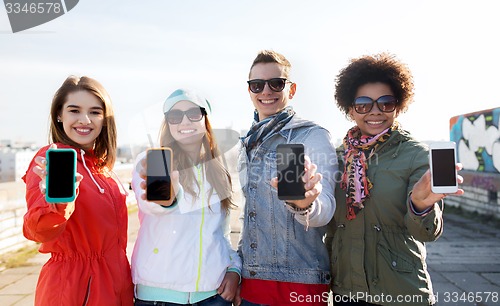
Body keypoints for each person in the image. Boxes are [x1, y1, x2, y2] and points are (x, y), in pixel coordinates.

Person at [326, 52, 464, 306]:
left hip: (402, 293)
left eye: (386, 103)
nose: (375, 112)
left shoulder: (416, 155)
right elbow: (330, 228)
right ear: (350, 109)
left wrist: (420, 206)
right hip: (346, 292)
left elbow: (426, 233)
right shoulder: (336, 158)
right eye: (363, 104)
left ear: (398, 106)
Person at [236, 50, 338, 305]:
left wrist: (304, 204)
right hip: (252, 281)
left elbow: (325, 208)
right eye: (257, 85)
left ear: (291, 90)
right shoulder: (248, 143)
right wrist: (237, 268)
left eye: (276, 83)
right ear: (249, 91)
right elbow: (250, 216)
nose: (266, 91)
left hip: (300, 283)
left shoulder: (312, 136)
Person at [22, 75, 134, 305]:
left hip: (117, 283)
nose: (85, 120)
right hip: (76, 289)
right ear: (59, 115)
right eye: (74, 110)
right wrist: (59, 203)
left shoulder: (102, 168)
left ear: (105, 119)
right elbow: (38, 230)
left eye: (95, 112)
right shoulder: (48, 160)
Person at [131, 88, 241, 305]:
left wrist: (235, 269)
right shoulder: (152, 162)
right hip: (158, 298)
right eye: (175, 116)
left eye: (193, 113)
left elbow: (223, 234)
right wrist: (169, 198)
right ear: (167, 123)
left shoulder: (218, 171)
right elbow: (152, 205)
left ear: (205, 119)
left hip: (212, 297)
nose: (184, 122)